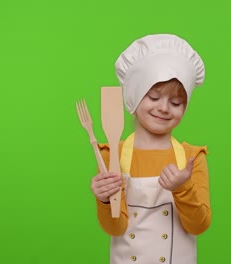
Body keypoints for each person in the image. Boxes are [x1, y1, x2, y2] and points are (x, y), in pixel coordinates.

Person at [90, 34, 210, 264]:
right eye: (154, 97)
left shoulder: (192, 157)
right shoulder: (111, 154)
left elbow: (199, 225)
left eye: (176, 103)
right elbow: (115, 229)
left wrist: (182, 188)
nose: (164, 108)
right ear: (133, 96)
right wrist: (105, 200)